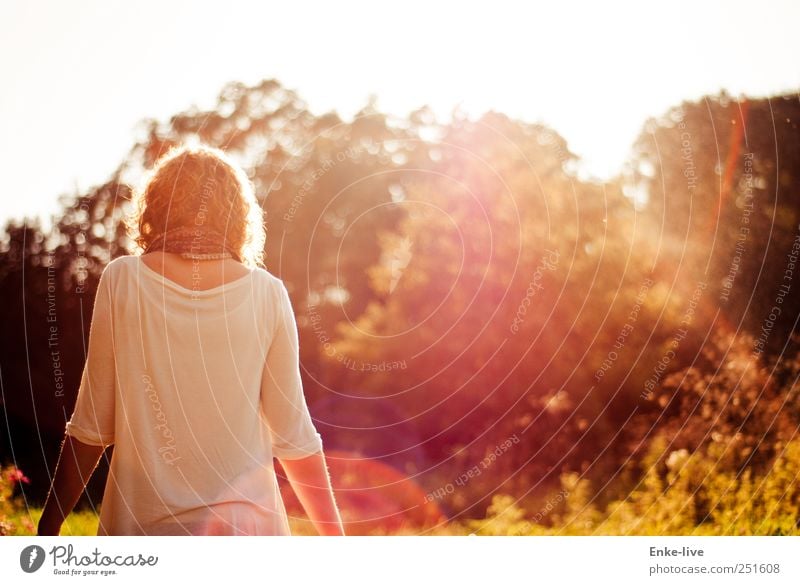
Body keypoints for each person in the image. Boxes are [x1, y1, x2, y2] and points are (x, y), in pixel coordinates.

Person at [38, 145, 344, 536]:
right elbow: (294, 435)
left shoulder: (123, 281)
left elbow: (92, 427)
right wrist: (338, 545)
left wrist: (45, 534)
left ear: (154, 208)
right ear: (236, 215)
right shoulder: (267, 293)